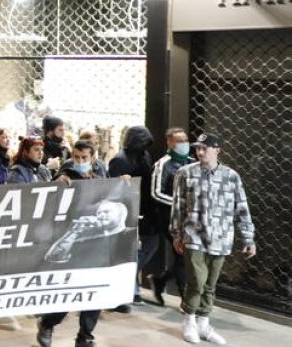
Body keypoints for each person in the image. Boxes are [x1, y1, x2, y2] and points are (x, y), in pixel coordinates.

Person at [170, 134, 255, 345]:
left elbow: (241, 207)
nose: (199, 152)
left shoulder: (231, 176)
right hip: (194, 235)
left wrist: (248, 237)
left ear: (217, 150)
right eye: (197, 148)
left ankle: (203, 323)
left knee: (210, 284)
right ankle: (189, 320)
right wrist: (176, 234)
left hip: (221, 237)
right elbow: (178, 207)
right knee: (196, 281)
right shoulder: (185, 173)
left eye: (204, 148)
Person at [36, 140, 107, 347]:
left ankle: (85, 336)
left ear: (93, 157)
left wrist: (124, 182)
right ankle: (48, 323)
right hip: (72, 239)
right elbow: (56, 187)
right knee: (69, 293)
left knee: (94, 294)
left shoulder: (101, 171)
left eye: (84, 158)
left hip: (96, 241)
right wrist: (59, 181)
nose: (80, 161)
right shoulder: (67, 171)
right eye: (76, 157)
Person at [109, 125, 157, 308]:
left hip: (146, 209)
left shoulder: (144, 155)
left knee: (151, 244)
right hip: (128, 211)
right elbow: (113, 187)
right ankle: (125, 290)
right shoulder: (120, 160)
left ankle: (130, 283)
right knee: (128, 253)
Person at [150, 127, 193, 306]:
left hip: (190, 218)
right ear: (169, 143)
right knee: (182, 255)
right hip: (169, 218)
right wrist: (179, 204)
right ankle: (185, 299)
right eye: (178, 141)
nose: (183, 144)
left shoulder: (192, 162)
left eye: (185, 140)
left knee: (184, 256)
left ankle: (160, 281)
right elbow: (156, 192)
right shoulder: (163, 164)